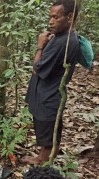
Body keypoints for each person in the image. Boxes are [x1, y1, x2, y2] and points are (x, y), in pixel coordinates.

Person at [22, 0, 80, 165]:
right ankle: (41, 158)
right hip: (44, 95)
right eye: (50, 17)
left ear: (69, 17)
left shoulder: (65, 42)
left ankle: (43, 164)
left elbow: (37, 68)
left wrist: (40, 46)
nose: (50, 21)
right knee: (44, 133)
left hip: (49, 98)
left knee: (48, 136)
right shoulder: (61, 38)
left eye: (56, 17)